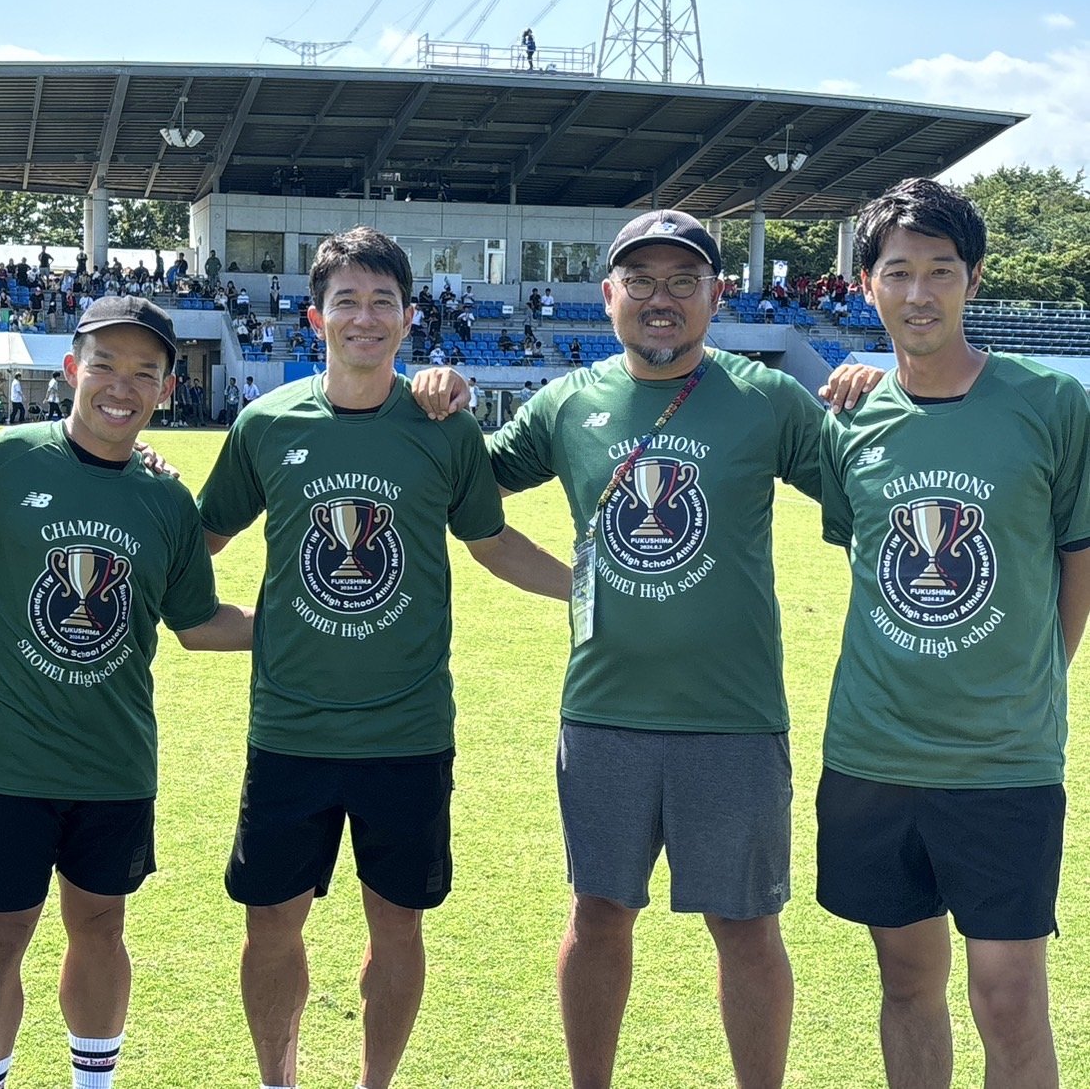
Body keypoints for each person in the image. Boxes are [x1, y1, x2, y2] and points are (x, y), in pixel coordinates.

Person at [411, 208, 881, 1089]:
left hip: (733, 717)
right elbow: (464, 480)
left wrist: (867, 398)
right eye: (641, 281)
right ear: (608, 295)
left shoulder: (765, 398)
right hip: (603, 713)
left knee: (745, 927)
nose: (659, 300)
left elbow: (874, 491)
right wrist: (431, 400)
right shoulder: (566, 402)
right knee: (597, 915)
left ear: (715, 294)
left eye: (681, 282)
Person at [196, 225, 570, 1089]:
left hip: (405, 732)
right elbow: (197, 542)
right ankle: (276, 1079)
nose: (363, 317)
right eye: (346, 302)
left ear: (408, 317)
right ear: (314, 316)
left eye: (382, 302)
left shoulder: (440, 428)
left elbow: (493, 543)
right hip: (289, 729)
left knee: (397, 927)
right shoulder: (265, 424)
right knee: (269, 927)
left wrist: (588, 590)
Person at [0, 296, 253, 1089]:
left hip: (115, 764)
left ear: (166, 391)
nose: (120, 386)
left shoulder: (166, 499)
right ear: (72, 370)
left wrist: (304, 619)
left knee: (101, 929)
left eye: (144, 372)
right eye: (103, 364)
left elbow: (196, 623)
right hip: (7, 763)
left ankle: (92, 1082)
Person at [815, 178, 1090, 1089]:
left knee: (1008, 997)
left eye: (940, 270)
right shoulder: (848, 419)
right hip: (872, 753)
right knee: (905, 981)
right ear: (866, 285)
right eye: (898, 272)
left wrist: (1037, 674)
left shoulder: (1049, 403)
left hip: (1003, 758)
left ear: (971, 279)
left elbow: (1075, 558)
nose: (919, 293)